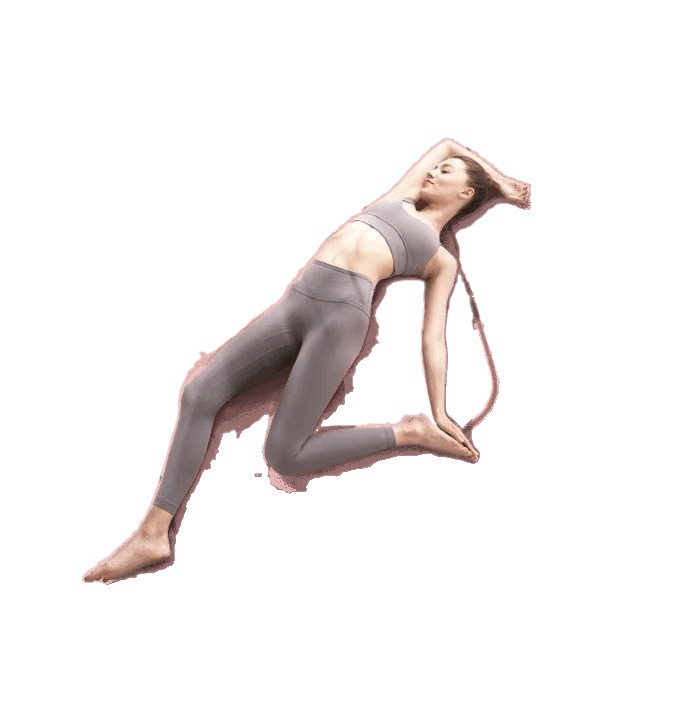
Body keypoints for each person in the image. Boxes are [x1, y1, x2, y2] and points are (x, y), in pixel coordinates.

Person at [83, 138, 530, 583]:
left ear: (465, 193)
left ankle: (409, 432)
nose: (432, 171)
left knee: (284, 454)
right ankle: (153, 533)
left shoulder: (440, 259)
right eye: (437, 168)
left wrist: (439, 412)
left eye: (446, 172)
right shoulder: (401, 197)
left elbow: (433, 338)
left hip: (339, 323)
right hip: (295, 305)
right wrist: (505, 184)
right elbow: (447, 143)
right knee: (199, 392)